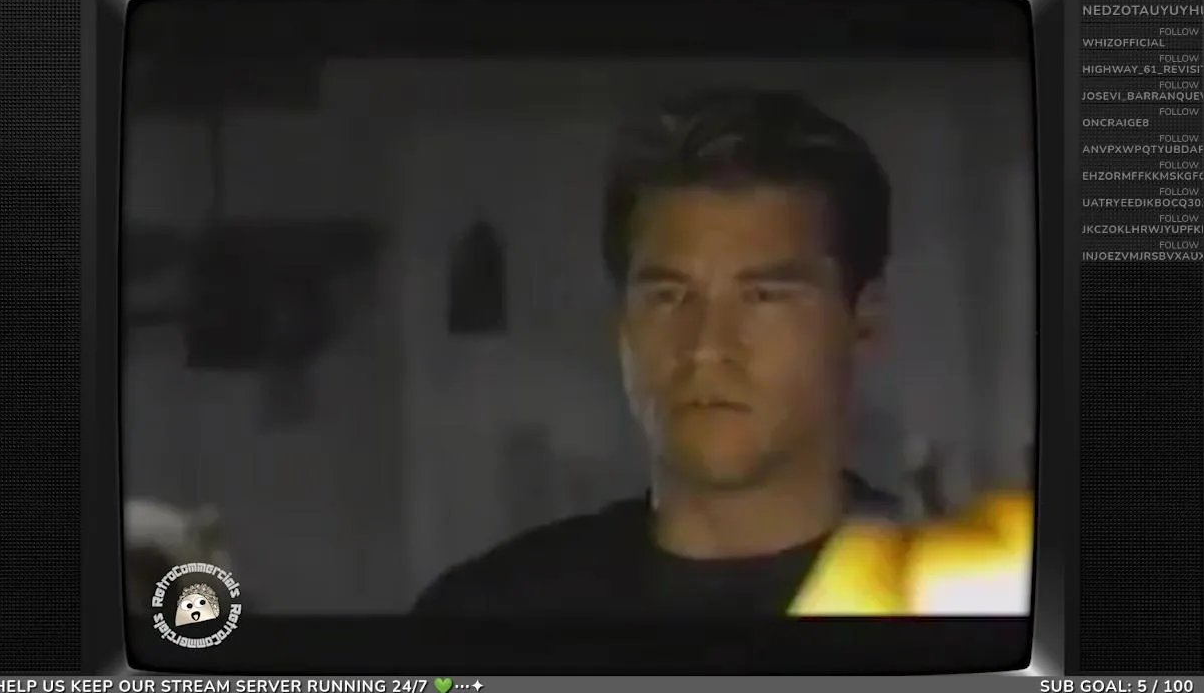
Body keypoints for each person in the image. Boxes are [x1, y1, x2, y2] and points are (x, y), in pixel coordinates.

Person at [412, 90, 1032, 616]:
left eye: (764, 296)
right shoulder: (488, 614)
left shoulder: (954, 595)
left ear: (862, 321)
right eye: (669, 296)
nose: (707, 347)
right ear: (623, 324)